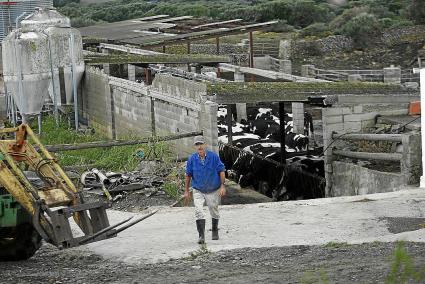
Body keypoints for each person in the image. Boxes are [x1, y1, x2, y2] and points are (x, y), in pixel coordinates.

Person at [185, 136, 226, 244]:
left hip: (213, 188)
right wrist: (186, 191)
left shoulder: (214, 157)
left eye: (201, 144)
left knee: (213, 209)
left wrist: (222, 185)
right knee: (198, 211)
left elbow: (221, 170)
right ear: (195, 147)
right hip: (198, 189)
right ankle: (201, 236)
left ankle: (215, 230)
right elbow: (188, 175)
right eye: (197, 144)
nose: (199, 146)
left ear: (205, 145)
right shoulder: (192, 159)